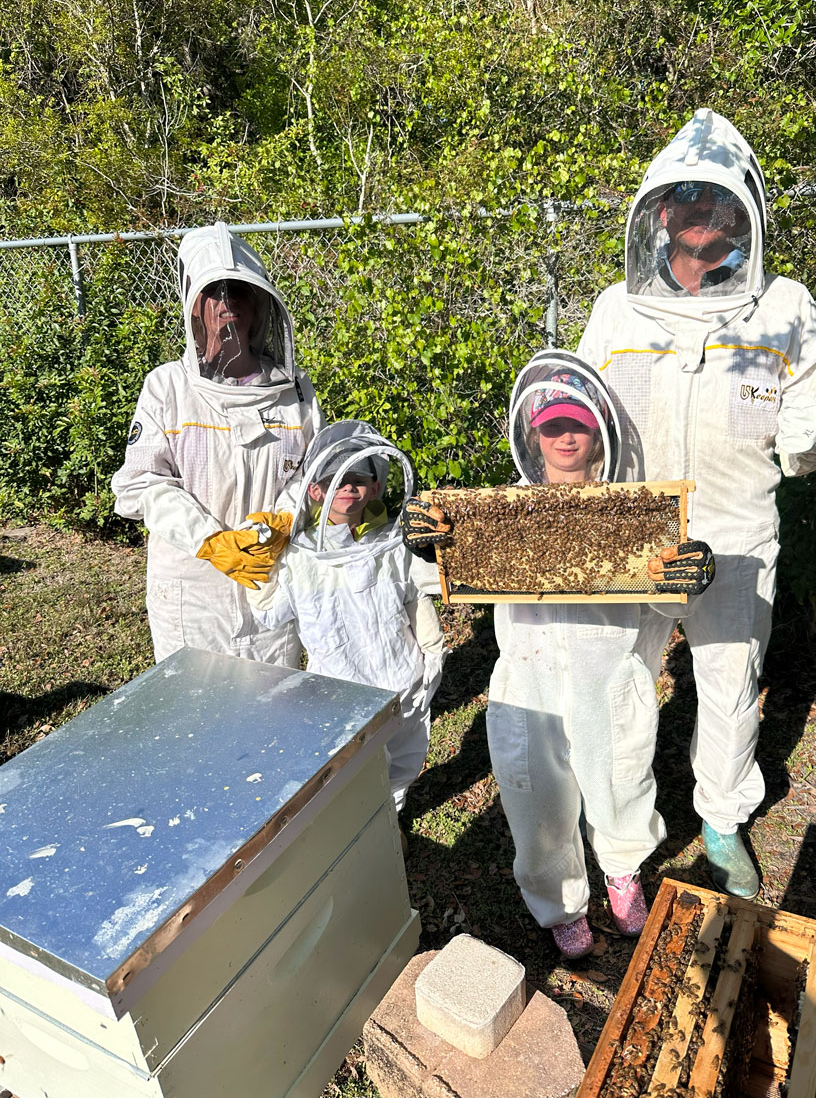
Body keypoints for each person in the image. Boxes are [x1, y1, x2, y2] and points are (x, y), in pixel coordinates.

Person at [577, 109, 816, 898]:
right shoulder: (617, 309)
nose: (704, 215)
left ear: (744, 213)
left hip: (736, 533)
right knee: (624, 686)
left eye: (719, 202)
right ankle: (622, 840)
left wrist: (806, 430)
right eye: (688, 199)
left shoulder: (783, 307)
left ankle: (724, 822)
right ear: (659, 211)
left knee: (731, 685)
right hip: (634, 530)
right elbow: (574, 411)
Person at [401, 351, 714, 957]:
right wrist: (425, 546)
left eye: (578, 425)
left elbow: (669, 602)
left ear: (599, 432)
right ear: (533, 435)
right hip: (529, 680)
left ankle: (622, 871)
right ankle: (562, 904)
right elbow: (435, 581)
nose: (566, 437)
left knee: (620, 780)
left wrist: (688, 572)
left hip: (608, 676)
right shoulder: (497, 512)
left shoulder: (631, 507)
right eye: (553, 426)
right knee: (536, 798)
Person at [112, 221, 322, 666]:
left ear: (259, 303)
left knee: (272, 699)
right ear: (194, 305)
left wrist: (286, 517)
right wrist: (210, 540)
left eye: (239, 291)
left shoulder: (294, 390)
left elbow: (313, 473)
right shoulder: (167, 387)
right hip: (193, 592)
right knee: (195, 703)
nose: (228, 303)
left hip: (269, 582)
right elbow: (137, 485)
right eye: (214, 292)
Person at [247, 420, 445, 813]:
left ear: (376, 487)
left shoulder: (392, 543)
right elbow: (271, 613)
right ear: (315, 490)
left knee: (402, 761)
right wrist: (258, 568)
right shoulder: (300, 556)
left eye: (358, 479)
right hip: (339, 688)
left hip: (401, 676)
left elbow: (422, 590)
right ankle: (367, 824)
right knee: (353, 771)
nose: (348, 488)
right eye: (336, 480)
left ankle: (392, 820)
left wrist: (434, 550)